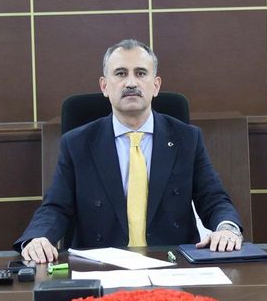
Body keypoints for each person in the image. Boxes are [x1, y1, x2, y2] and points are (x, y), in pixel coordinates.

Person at [16, 39, 243, 263]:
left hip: (172, 264)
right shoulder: (77, 143)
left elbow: (213, 199)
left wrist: (227, 229)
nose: (131, 83)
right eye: (121, 73)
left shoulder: (187, 139)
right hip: (102, 266)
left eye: (141, 73)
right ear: (104, 86)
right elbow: (56, 207)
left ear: (156, 86)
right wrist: (37, 238)